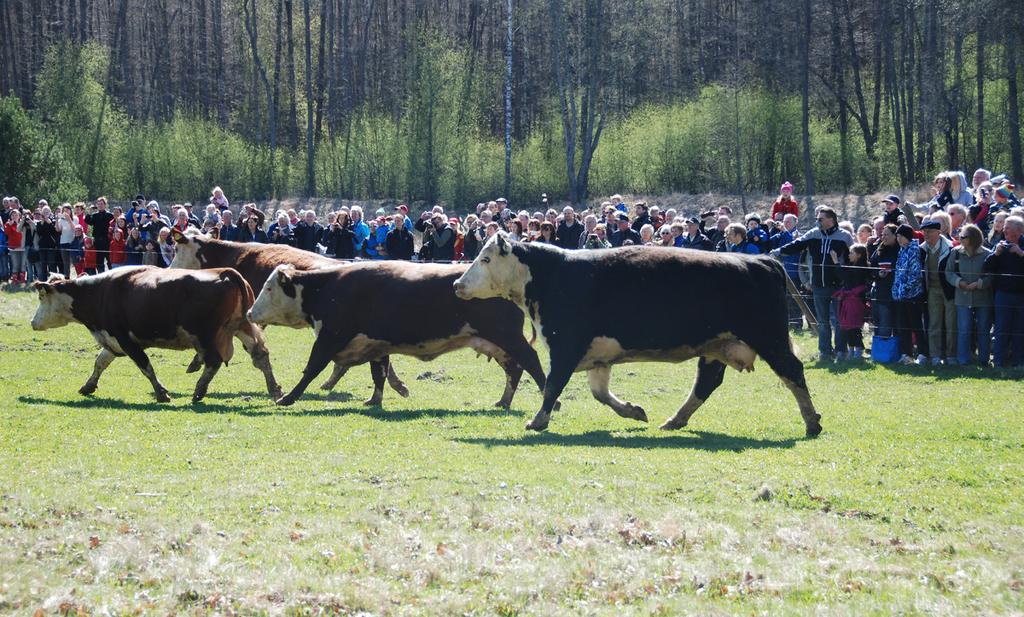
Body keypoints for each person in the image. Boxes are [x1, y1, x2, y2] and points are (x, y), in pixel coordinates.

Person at [773, 206, 854, 362]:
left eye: (820, 219)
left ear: (831, 219)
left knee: (839, 321)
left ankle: (841, 352)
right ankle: (825, 353)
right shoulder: (813, 233)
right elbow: (796, 245)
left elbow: (852, 258)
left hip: (839, 286)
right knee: (822, 321)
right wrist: (777, 252)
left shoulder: (845, 236)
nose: (817, 221)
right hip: (819, 285)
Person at [945, 224, 993, 367]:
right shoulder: (955, 252)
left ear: (973, 238)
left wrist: (979, 284)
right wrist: (959, 282)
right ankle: (963, 360)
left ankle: (984, 360)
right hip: (962, 297)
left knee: (984, 329)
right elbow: (948, 272)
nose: (960, 239)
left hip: (983, 298)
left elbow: (992, 276)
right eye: (960, 236)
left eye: (963, 237)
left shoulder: (987, 254)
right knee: (963, 329)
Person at [983, 215, 1024, 367]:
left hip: (1021, 295)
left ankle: (1019, 361)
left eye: (1008, 228)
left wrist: (1021, 253)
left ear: (1019, 231)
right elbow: (987, 267)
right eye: (1004, 228)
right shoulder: (1000, 245)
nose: (1004, 230)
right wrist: (996, 254)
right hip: (1003, 295)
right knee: (1001, 328)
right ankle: (998, 361)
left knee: (1020, 330)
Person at [920, 220, 957, 365]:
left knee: (951, 323)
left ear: (938, 232)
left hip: (948, 290)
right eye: (925, 232)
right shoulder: (922, 249)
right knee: (934, 324)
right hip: (932, 290)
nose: (926, 234)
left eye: (929, 231)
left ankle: (951, 355)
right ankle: (935, 355)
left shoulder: (951, 247)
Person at [892, 224, 928, 364]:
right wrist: (896, 290)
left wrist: (906, 288)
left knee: (916, 325)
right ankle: (906, 354)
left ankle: (923, 354)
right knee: (903, 326)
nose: (899, 239)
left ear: (907, 236)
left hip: (913, 295)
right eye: (897, 236)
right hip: (901, 295)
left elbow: (915, 274)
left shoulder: (915, 250)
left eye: (901, 236)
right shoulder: (901, 251)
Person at [832, 244, 871, 360]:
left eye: (851, 253)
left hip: (855, 300)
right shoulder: (853, 265)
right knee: (847, 326)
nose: (849, 255)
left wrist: (835, 262)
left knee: (853, 326)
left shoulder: (860, 268)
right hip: (849, 300)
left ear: (859, 255)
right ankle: (852, 349)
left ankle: (858, 349)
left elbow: (844, 276)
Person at [869, 224, 900, 338]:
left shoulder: (901, 250)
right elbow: (871, 268)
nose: (884, 237)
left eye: (887, 234)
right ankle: (882, 349)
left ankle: (899, 349)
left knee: (898, 323)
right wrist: (878, 273)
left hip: (898, 292)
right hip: (882, 292)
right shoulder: (879, 250)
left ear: (895, 236)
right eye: (883, 234)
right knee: (883, 323)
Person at [85, 197, 114, 272]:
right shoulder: (95, 215)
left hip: (107, 241)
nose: (100, 205)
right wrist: (89, 212)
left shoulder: (110, 215)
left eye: (102, 204)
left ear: (105, 205)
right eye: (98, 204)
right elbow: (88, 221)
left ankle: (111, 276)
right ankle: (101, 277)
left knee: (110, 260)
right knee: (99, 261)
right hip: (97, 241)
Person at [4, 209, 26, 286]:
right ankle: (15, 281)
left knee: (23, 264)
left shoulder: (23, 223)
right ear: (10, 216)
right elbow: (6, 233)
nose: (14, 216)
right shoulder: (8, 223)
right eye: (12, 215)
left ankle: (23, 280)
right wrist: (10, 225)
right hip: (13, 247)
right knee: (15, 264)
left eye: (16, 215)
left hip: (23, 247)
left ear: (19, 215)